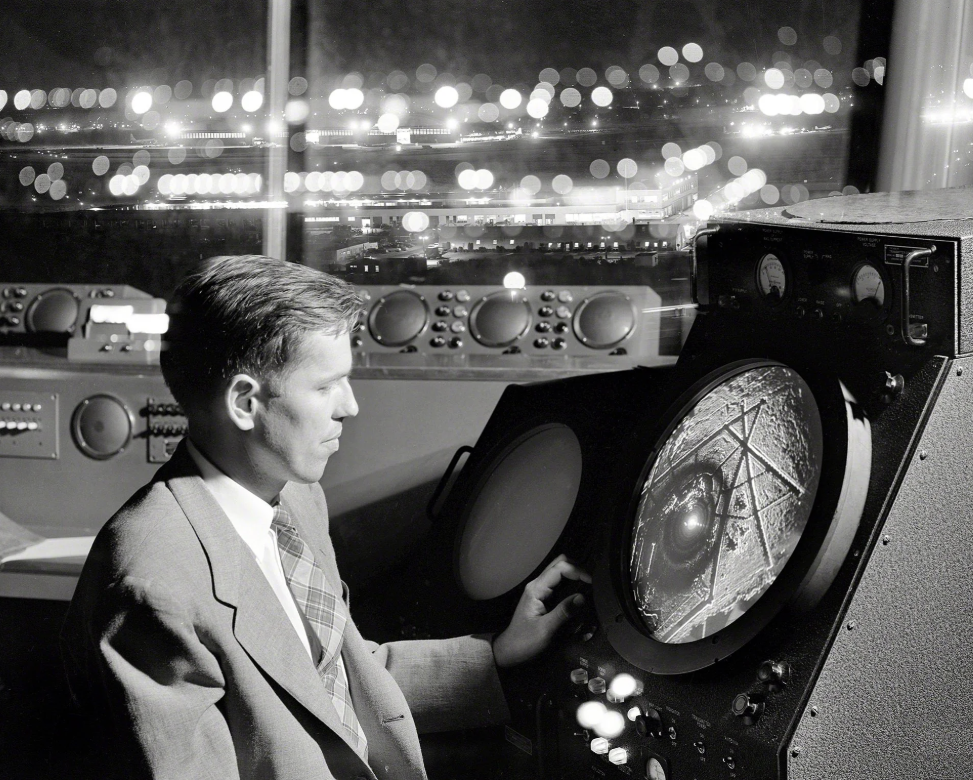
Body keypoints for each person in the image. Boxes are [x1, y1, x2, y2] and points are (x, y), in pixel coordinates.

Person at [61, 255, 590, 780]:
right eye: (325, 386)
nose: (350, 407)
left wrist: (497, 654)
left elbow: (329, 681)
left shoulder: (294, 500)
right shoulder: (153, 585)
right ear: (244, 402)